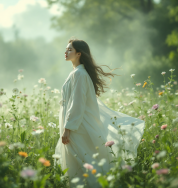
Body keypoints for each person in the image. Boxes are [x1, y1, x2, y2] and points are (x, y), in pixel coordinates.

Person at [53, 38, 145, 188]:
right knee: (78, 161)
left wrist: (68, 128)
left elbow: (77, 103)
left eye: (70, 49)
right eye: (66, 49)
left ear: (79, 54)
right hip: (73, 124)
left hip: (77, 126)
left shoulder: (80, 75)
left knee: (83, 161)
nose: (66, 52)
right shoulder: (76, 73)